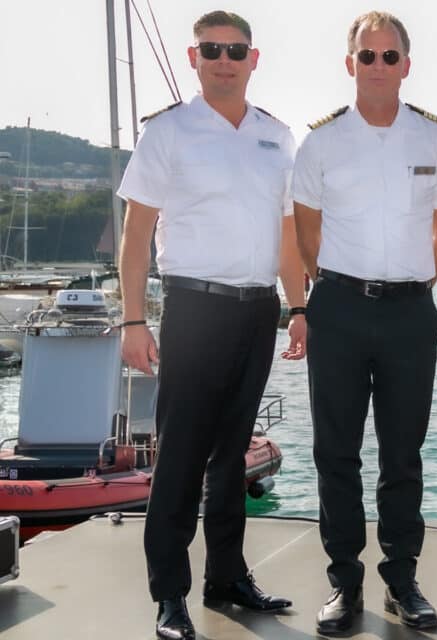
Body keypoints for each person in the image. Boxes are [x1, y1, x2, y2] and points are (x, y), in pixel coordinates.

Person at [118, 10, 306, 640]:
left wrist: (298, 306)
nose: (224, 59)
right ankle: (168, 595)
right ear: (194, 56)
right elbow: (136, 234)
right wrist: (133, 319)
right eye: (212, 49)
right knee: (180, 457)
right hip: (192, 308)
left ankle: (226, 577)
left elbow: (286, 236)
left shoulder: (277, 137)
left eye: (236, 50)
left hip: (257, 311)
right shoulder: (169, 133)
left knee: (232, 457)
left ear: (254, 59)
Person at [291, 11, 437, 634]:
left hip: (410, 313)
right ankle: (344, 583)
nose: (379, 67)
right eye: (368, 56)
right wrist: (331, 286)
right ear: (350, 64)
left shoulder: (434, 139)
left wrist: (420, 278)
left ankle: (402, 579)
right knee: (335, 453)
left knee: (403, 453)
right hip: (338, 307)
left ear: (407, 65)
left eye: (391, 57)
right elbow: (305, 231)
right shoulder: (321, 141)